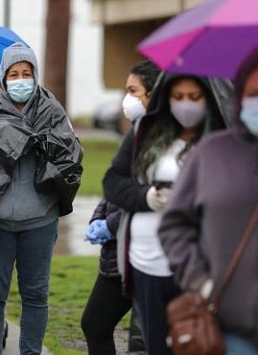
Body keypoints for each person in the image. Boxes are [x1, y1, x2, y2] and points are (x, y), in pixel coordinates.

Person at [159, 47, 258, 354]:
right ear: (239, 97)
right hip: (223, 327)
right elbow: (174, 226)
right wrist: (199, 280)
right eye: (253, 93)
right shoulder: (210, 153)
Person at [0, 42, 83, 355]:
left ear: (35, 75)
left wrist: (40, 143)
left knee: (36, 295)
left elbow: (70, 156)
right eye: (14, 74)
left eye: (27, 73)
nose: (21, 79)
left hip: (40, 219)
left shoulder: (52, 111)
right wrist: (15, 139)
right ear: (3, 77)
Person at [102, 71, 228, 354]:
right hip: (147, 264)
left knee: (199, 343)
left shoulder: (221, 139)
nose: (186, 105)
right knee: (156, 346)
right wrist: (148, 197)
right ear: (166, 97)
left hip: (199, 265)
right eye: (178, 97)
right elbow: (114, 182)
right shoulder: (145, 132)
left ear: (207, 99)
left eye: (194, 97)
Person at [81, 60, 160, 355]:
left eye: (132, 90)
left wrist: (111, 226)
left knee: (140, 339)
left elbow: (150, 197)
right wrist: (98, 219)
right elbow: (113, 186)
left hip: (140, 250)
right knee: (95, 325)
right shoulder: (136, 134)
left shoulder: (159, 140)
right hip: (117, 252)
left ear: (151, 95)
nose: (126, 99)